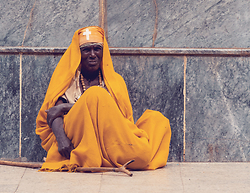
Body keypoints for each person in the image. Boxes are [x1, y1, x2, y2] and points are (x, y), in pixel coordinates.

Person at [36, 26, 171, 171]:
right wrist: (61, 139)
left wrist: (65, 107)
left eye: (97, 49)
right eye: (86, 50)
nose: (92, 54)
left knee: (157, 121)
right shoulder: (68, 80)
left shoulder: (115, 81)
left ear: (103, 52)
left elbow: (120, 120)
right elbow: (54, 114)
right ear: (78, 53)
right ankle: (96, 156)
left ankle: (110, 157)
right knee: (96, 94)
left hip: (110, 140)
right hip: (79, 141)